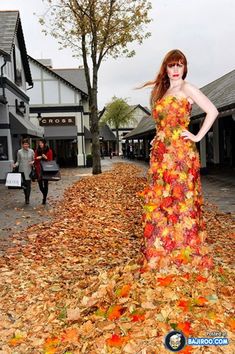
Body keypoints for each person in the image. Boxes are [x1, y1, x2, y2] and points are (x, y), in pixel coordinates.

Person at [140, 49, 218, 271]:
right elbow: (162, 123)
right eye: (171, 65)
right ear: (165, 68)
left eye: (179, 65)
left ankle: (185, 255)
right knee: (161, 203)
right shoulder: (163, 92)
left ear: (185, 68)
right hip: (161, 156)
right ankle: (164, 253)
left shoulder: (187, 88)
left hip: (181, 154)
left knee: (181, 201)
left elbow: (212, 111)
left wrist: (197, 136)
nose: (175, 70)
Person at [13, 138, 34, 204]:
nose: (26, 145)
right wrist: (15, 165)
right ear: (22, 145)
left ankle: (27, 198)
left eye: (27, 144)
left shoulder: (31, 151)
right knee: (24, 185)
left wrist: (32, 162)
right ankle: (26, 196)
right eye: (24, 144)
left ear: (29, 145)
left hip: (29, 170)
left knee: (28, 185)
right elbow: (18, 161)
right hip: (22, 170)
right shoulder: (19, 151)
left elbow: (34, 160)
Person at [34, 138, 53, 204]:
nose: (40, 144)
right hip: (39, 169)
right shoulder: (37, 150)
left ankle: (44, 198)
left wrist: (45, 158)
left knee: (45, 184)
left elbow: (50, 161)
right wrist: (37, 158)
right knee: (40, 185)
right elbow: (35, 159)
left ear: (44, 143)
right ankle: (44, 194)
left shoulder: (49, 150)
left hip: (46, 169)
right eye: (39, 143)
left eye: (41, 143)